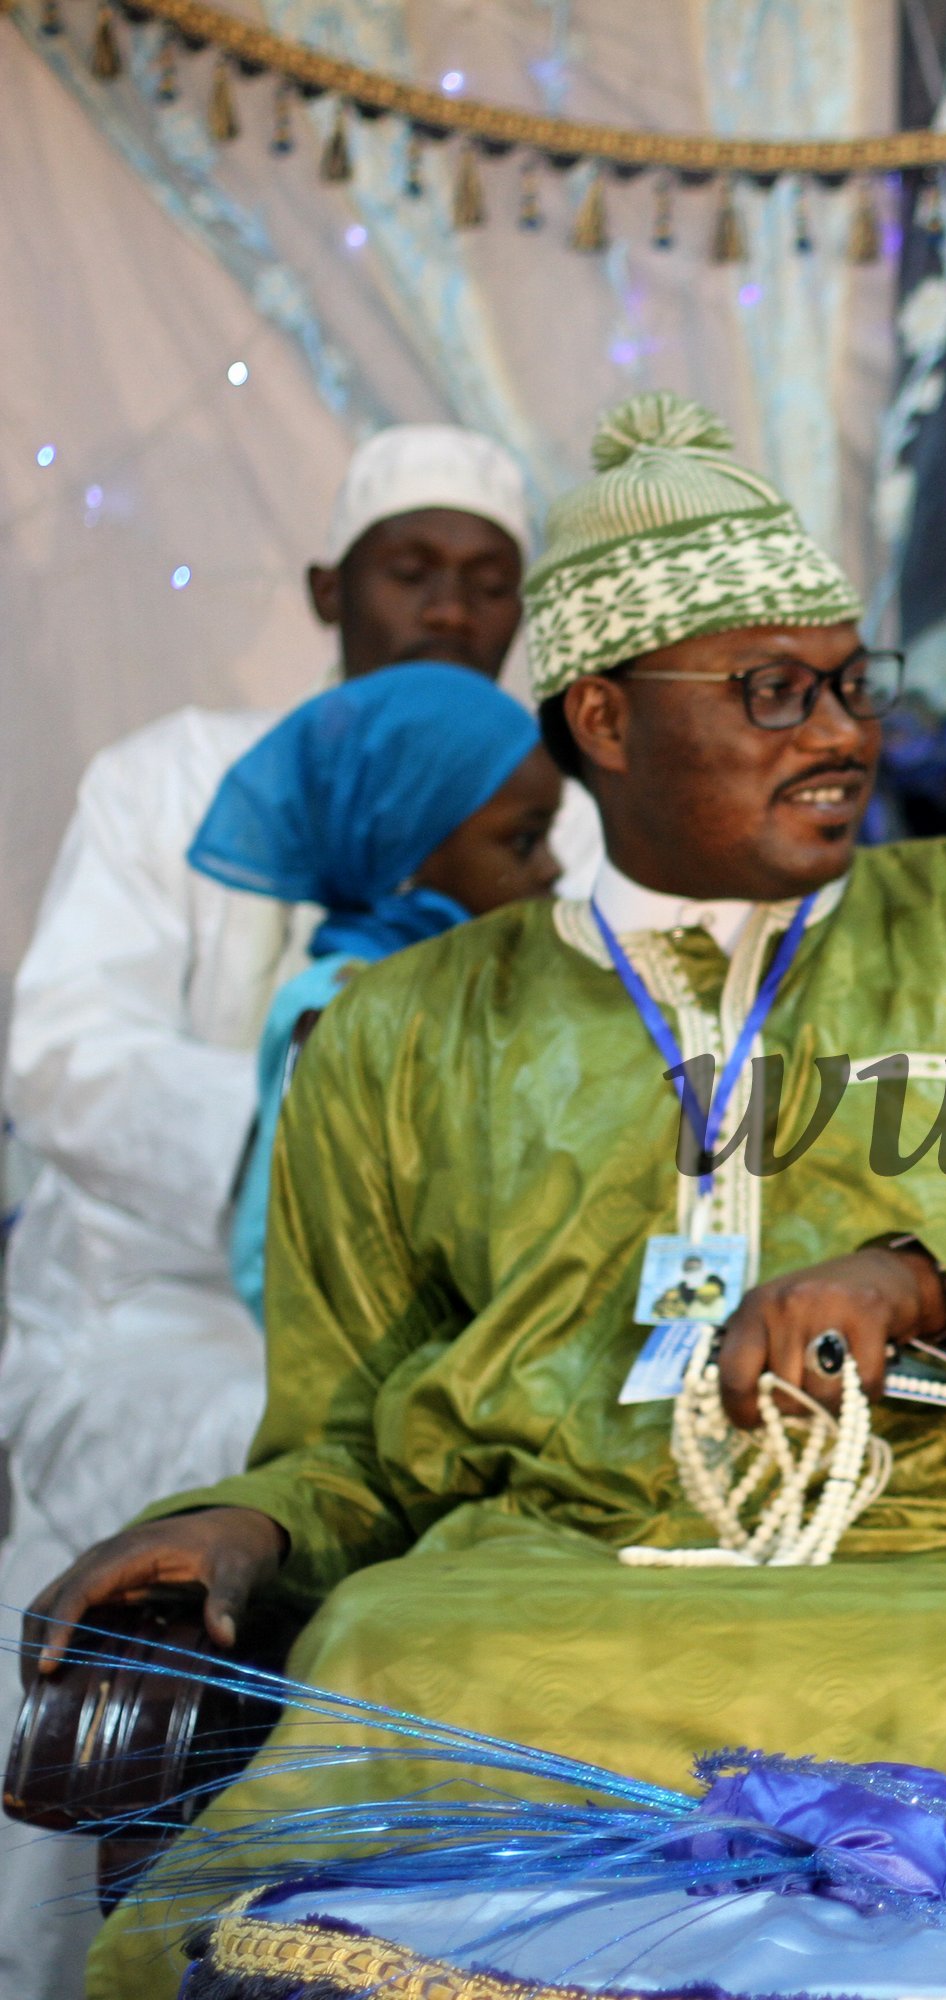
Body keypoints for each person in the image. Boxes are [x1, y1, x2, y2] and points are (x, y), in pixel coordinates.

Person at [29, 395, 946, 2000]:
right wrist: (248, 1518)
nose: (843, 736)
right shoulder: (409, 1026)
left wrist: (934, 1278)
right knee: (374, 1650)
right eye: (774, 694)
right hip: (521, 1587)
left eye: (856, 684)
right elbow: (350, 1436)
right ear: (606, 720)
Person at [0, 423, 549, 1996]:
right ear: (330, 586)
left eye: (487, 583)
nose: (449, 611)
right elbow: (67, 1058)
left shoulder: (531, 830)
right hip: (151, 1315)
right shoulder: (169, 777)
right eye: (412, 571)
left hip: (426, 1340)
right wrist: (326, 1149)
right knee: (219, 1481)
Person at [190, 665, 567, 1323]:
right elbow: (289, 1259)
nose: (553, 867)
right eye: (524, 840)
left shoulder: (497, 989)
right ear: (406, 851)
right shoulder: (341, 1009)